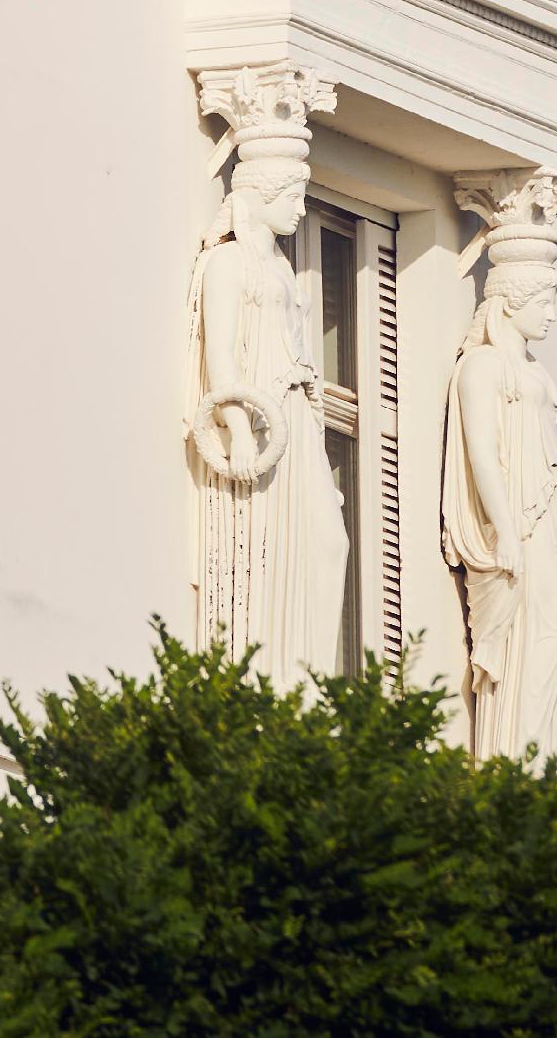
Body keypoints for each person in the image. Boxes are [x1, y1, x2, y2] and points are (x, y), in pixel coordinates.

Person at [188, 77, 346, 677]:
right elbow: (221, 358)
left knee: (329, 544)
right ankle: (271, 673)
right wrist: (239, 429)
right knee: (274, 547)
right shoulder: (228, 264)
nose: (303, 209)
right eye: (296, 195)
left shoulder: (280, 271)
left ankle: (308, 682)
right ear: (264, 191)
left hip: (297, 417)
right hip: (261, 417)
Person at [439, 209, 557, 757]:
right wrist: (506, 531)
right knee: (543, 634)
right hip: (517, 523)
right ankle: (515, 760)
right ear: (511, 302)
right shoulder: (482, 367)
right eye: (543, 303)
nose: (552, 316)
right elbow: (483, 456)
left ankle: (539, 765)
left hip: (548, 519)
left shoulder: (540, 375)